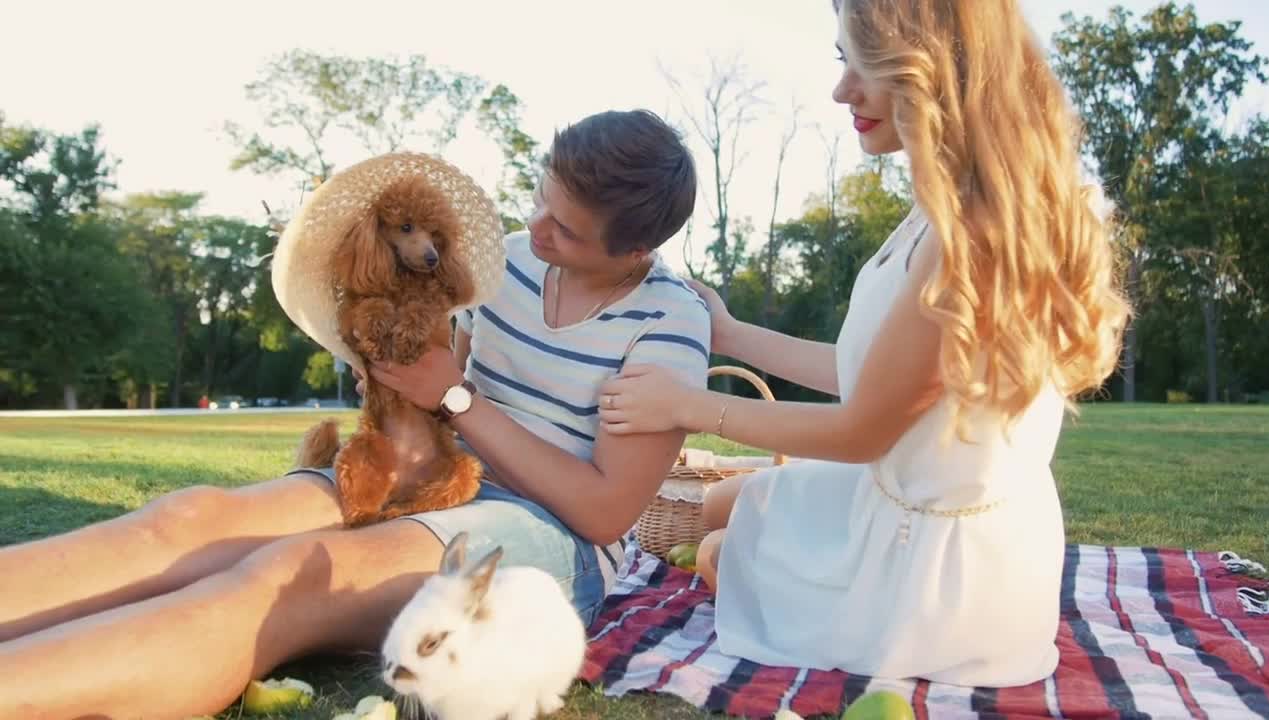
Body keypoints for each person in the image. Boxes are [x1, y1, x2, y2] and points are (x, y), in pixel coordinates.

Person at [0, 109, 711, 717]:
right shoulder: (509, 261)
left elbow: (604, 513)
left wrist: (454, 399)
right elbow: (443, 366)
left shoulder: (669, 321)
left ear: (636, 251)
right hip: (433, 466)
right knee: (189, 521)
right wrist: (398, 371)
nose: (536, 228)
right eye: (540, 199)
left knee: (290, 573)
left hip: (549, 536)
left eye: (566, 229)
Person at [598, 0, 1130, 687]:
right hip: (953, 525)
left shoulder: (968, 235)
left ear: (930, 70)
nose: (841, 88)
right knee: (722, 505)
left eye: (861, 63)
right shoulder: (958, 205)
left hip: (937, 585)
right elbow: (876, 377)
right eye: (843, 59)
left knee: (720, 546)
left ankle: (787, 581)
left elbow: (860, 432)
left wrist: (687, 406)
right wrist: (732, 335)